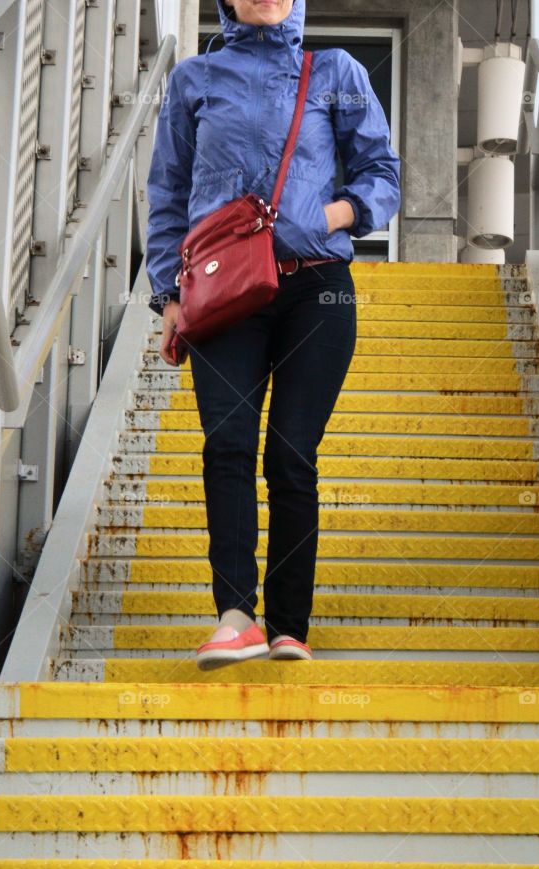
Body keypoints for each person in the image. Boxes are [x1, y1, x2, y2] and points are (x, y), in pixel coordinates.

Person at [146, 0, 401, 670]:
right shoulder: (194, 79)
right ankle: (236, 617)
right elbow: (168, 190)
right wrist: (167, 294)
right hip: (225, 288)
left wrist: (328, 214)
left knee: (291, 455)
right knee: (226, 443)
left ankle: (290, 626)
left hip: (317, 288)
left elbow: (382, 175)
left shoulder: (335, 70)